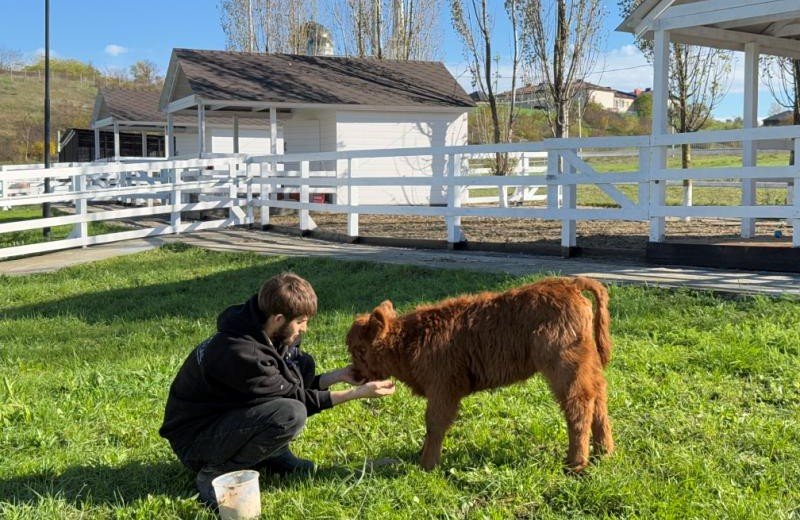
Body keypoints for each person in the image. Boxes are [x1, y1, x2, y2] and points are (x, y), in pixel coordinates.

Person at [159, 272, 395, 506]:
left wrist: (339, 376)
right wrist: (357, 393)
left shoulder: (265, 328)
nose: (305, 329)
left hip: (226, 416)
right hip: (196, 439)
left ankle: (274, 454)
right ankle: (215, 472)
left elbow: (287, 383)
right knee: (289, 414)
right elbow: (296, 398)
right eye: (301, 322)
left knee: (303, 368)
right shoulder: (244, 354)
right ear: (278, 318)